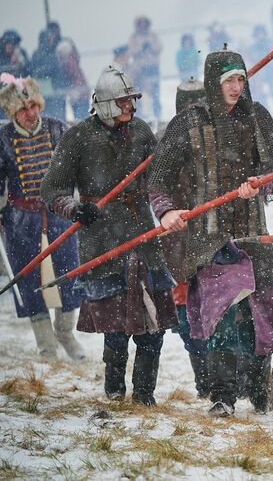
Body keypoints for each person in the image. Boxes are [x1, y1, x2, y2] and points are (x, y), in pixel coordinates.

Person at [148, 48, 273, 417]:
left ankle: (258, 391)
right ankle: (222, 396)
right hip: (209, 238)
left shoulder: (257, 117)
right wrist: (167, 212)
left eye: (241, 79)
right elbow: (159, 179)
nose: (236, 87)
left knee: (257, 313)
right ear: (214, 84)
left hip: (252, 234)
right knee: (222, 315)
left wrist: (260, 182)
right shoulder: (190, 123)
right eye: (229, 80)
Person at [41, 65, 177, 405]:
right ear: (104, 103)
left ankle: (144, 396)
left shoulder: (142, 132)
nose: (129, 108)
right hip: (101, 239)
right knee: (116, 330)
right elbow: (52, 189)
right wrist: (74, 209)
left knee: (153, 327)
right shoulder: (78, 137)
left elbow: (161, 174)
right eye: (122, 102)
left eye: (131, 101)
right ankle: (115, 392)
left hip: (142, 237)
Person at [0, 75, 85, 361]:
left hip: (59, 214)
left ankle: (65, 332)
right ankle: (46, 346)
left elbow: (76, 170)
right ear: (13, 112)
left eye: (34, 106)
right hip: (21, 221)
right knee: (30, 284)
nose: (30, 113)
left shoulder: (57, 129)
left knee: (69, 276)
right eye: (23, 109)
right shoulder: (3, 139)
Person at [161, 79, 212, 399]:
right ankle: (205, 381)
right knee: (186, 319)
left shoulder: (220, 138)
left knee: (219, 313)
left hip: (214, 237)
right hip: (177, 244)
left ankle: (222, 383)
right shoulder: (165, 146)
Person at [31, 22, 88, 121]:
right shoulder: (50, 54)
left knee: (56, 119)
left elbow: (73, 72)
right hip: (55, 92)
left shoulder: (59, 51)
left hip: (61, 92)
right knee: (57, 119)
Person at [127, 16, 163, 121]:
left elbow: (159, 47)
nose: (142, 26)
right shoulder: (133, 37)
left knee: (155, 93)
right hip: (141, 70)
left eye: (144, 23)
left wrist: (151, 46)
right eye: (140, 24)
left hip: (153, 67)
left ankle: (157, 114)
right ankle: (140, 116)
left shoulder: (152, 35)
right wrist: (141, 48)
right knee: (140, 94)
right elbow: (131, 50)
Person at [245, 24, 273, 116]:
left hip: (271, 70)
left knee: (272, 89)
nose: (260, 35)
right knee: (261, 91)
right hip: (261, 71)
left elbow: (272, 56)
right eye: (258, 33)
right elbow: (252, 56)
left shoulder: (269, 43)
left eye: (261, 33)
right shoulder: (254, 46)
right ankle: (266, 110)